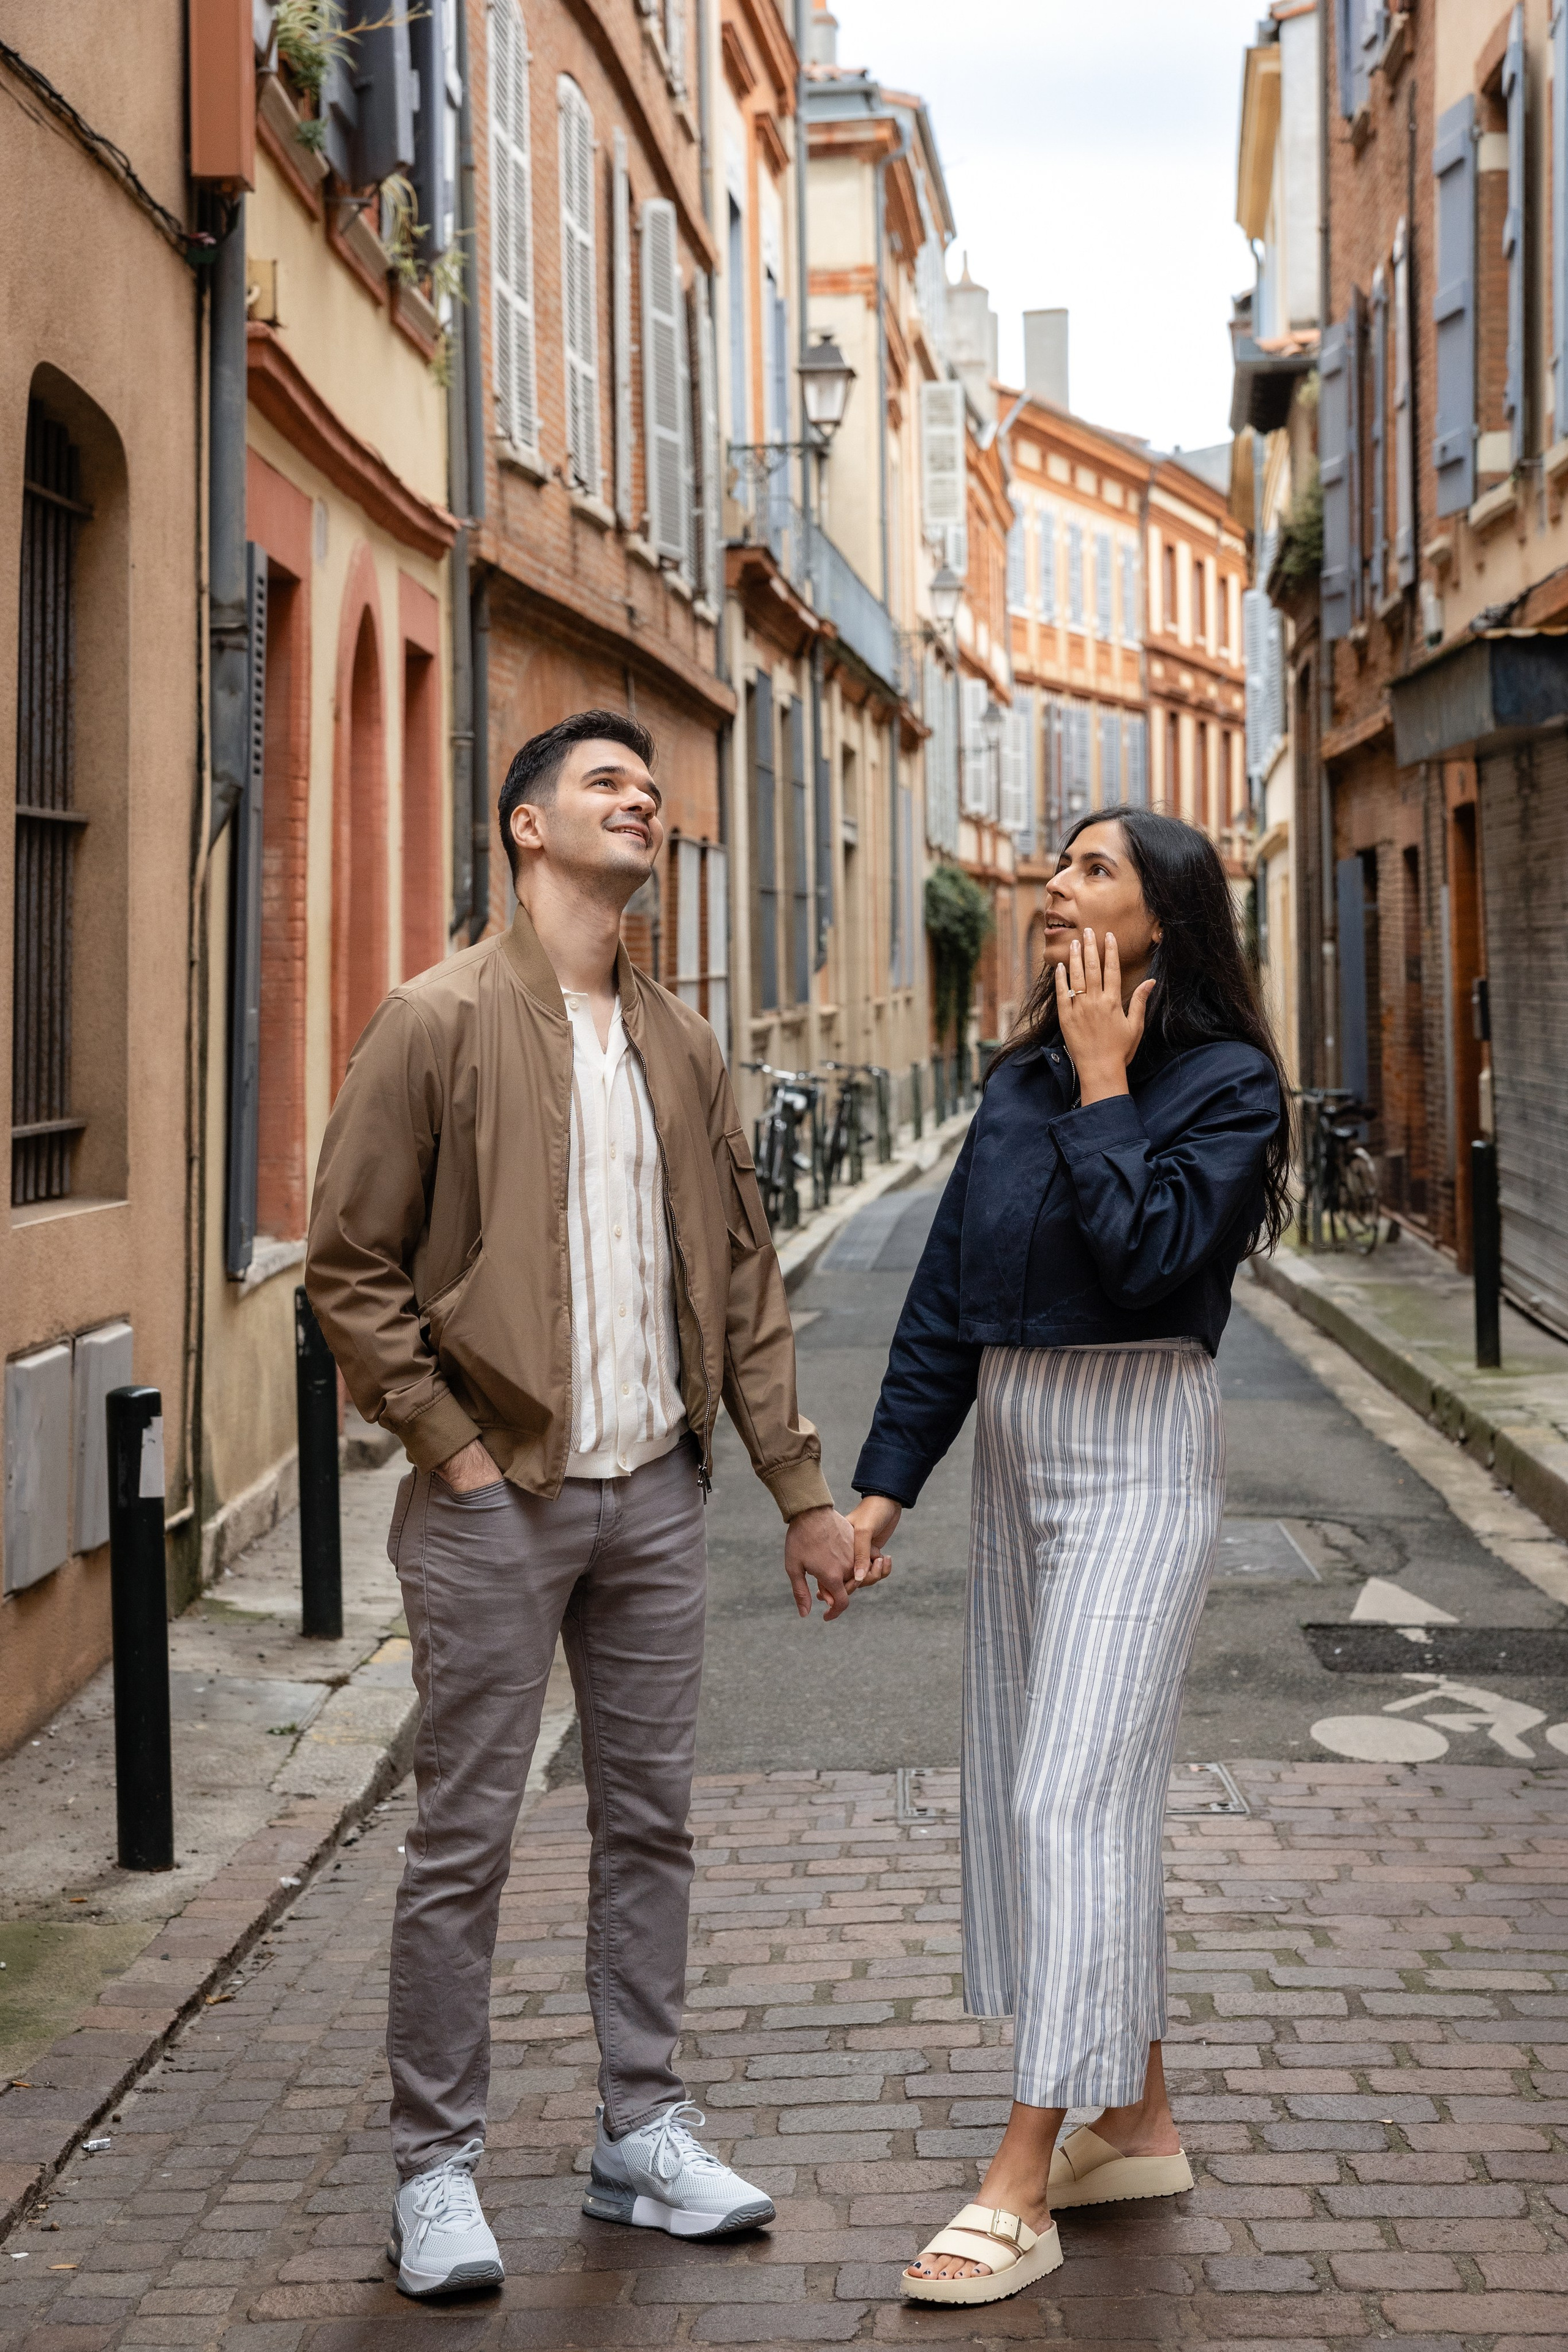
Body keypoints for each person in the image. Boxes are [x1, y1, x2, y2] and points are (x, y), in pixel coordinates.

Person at [306, 710, 866, 2299]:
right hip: (499, 1499)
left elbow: (742, 1280)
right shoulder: (434, 1021)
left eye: (651, 789)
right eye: (605, 784)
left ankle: (640, 2133)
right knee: (463, 1839)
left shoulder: (682, 1044)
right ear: (527, 827)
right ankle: (435, 2171)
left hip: (656, 1501)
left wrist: (798, 1490)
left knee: (651, 1826)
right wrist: (453, 1453)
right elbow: (348, 1266)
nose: (643, 803)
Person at [848, 809, 1291, 2308]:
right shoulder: (1016, 1080)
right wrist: (883, 1491)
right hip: (1018, 1452)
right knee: (1043, 1791)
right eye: (1056, 865)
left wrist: (1108, 1080)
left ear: (1163, 917)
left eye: (1093, 869)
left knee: (1066, 1797)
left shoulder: (1225, 1085)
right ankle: (1137, 2121)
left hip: (1138, 1452)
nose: (1055, 885)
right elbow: (945, 1293)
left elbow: (1152, 1257)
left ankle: (1022, 2176)